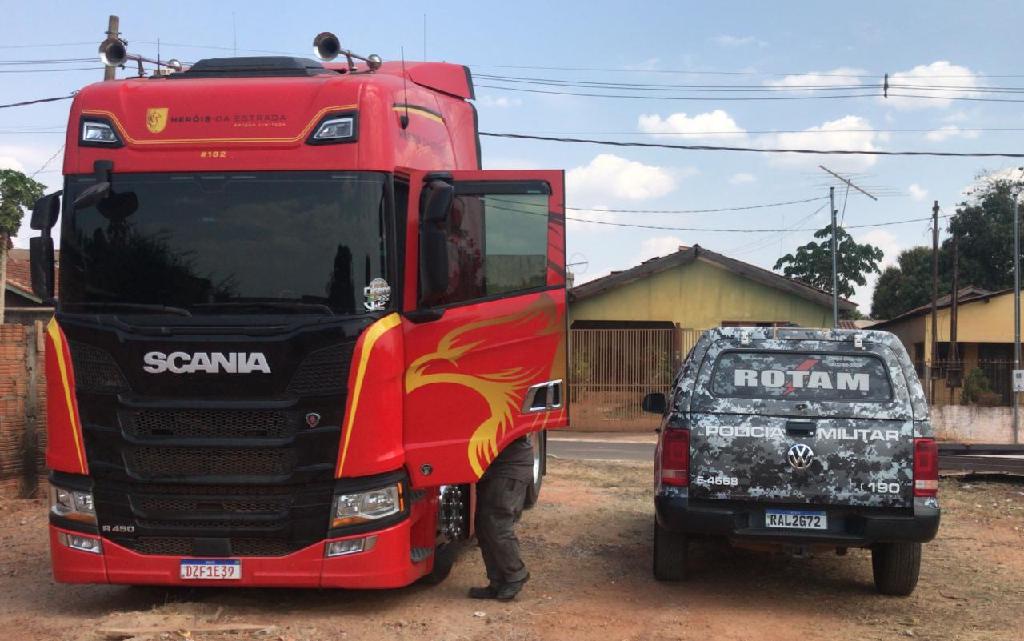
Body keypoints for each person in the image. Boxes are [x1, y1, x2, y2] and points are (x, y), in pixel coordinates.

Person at [468, 435, 534, 601]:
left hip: (509, 467)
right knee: (483, 526)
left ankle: (516, 574)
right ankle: (496, 582)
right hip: (491, 466)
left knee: (497, 523)